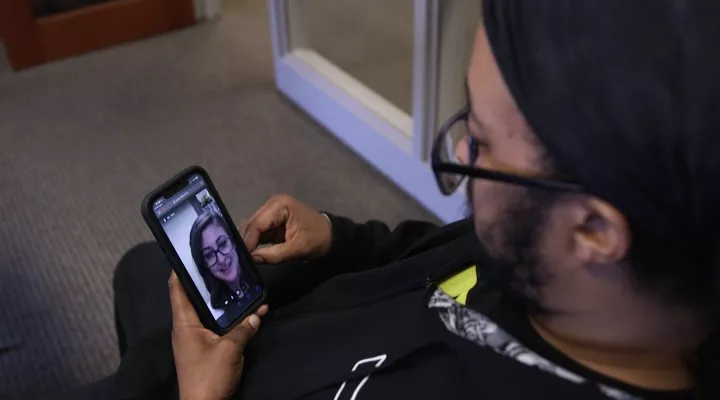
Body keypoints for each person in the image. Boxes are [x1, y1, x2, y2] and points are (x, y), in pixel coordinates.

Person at [47, 1, 720, 399]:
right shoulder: (557, 270)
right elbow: (443, 256)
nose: (460, 156)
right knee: (142, 267)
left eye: (480, 143)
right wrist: (343, 239)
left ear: (595, 230)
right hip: (282, 327)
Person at [189, 211, 258, 327]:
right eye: (209, 255)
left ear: (233, 241)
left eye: (222, 243)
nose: (220, 259)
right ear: (204, 266)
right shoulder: (214, 315)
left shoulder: (261, 269)